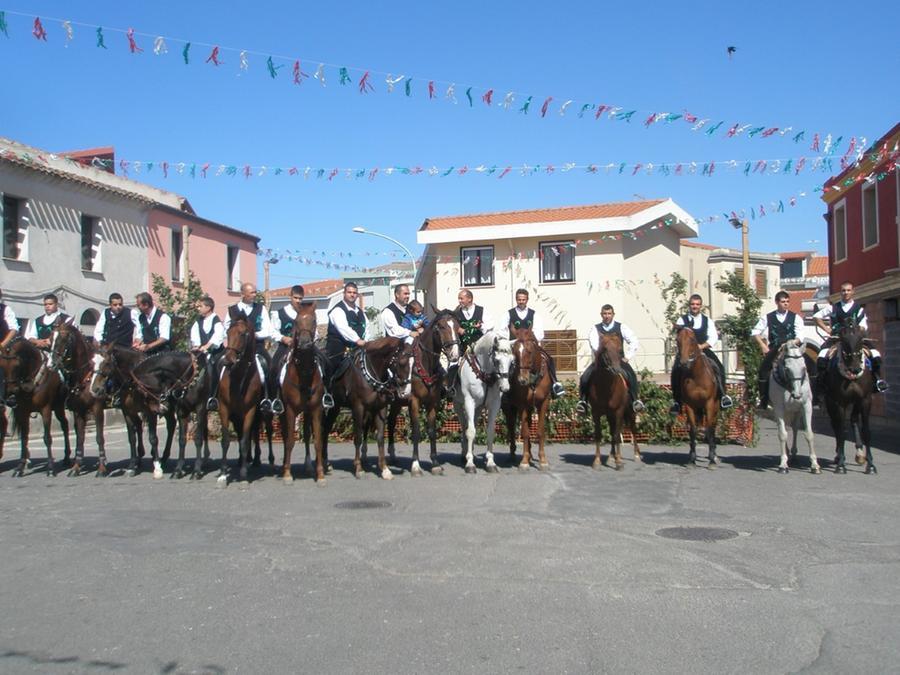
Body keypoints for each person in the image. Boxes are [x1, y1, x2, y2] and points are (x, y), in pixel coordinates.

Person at [813, 280, 887, 399]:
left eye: (848, 290)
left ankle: (877, 381)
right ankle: (821, 384)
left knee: (876, 355)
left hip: (856, 339)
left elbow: (863, 326)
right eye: (843, 290)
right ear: (840, 292)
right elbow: (816, 316)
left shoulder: (859, 309)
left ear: (853, 292)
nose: (846, 293)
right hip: (837, 338)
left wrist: (855, 333)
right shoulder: (833, 307)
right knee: (821, 357)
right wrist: (827, 329)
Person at [218, 282, 280, 414]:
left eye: (254, 292)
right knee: (217, 364)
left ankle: (269, 400)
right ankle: (214, 396)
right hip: (235, 348)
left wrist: (254, 335)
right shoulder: (232, 310)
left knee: (269, 366)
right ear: (243, 294)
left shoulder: (260, 308)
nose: (254, 295)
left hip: (256, 347)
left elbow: (267, 329)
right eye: (251, 292)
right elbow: (225, 330)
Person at [669, 294, 733, 414]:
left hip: (703, 349)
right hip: (686, 352)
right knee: (675, 370)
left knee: (719, 367)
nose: (695, 306)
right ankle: (677, 401)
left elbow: (713, 337)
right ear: (689, 305)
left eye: (697, 304)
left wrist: (701, 346)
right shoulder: (682, 320)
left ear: (700, 306)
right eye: (693, 304)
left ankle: (724, 395)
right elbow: (678, 336)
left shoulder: (707, 320)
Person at [576, 304, 645, 414]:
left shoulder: (621, 327)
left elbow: (633, 341)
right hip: (601, 362)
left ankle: (635, 400)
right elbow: (594, 344)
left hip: (618, 361)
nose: (607, 316)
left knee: (631, 375)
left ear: (613, 314)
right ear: (601, 315)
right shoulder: (595, 329)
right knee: (585, 377)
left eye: (609, 314)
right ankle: (583, 402)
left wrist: (627, 357)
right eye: (604, 314)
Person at [751, 290, 806, 409]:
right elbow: (755, 332)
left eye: (787, 301)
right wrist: (763, 345)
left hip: (792, 348)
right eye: (783, 301)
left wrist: (791, 343)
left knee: (809, 365)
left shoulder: (795, 317)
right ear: (777, 302)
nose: (786, 304)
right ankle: (764, 400)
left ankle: (813, 396)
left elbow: (800, 336)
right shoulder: (768, 317)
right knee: (763, 370)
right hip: (775, 348)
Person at [507, 288, 565, 398]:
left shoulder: (534, 314)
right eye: (519, 299)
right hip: (516, 346)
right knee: (505, 363)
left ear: (527, 300)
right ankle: (505, 390)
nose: (521, 301)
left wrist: (529, 341)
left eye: (523, 299)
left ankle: (555, 384)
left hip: (531, 346)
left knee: (549, 358)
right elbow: (502, 331)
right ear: (516, 299)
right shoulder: (509, 314)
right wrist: (516, 342)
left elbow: (540, 332)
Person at [324, 282, 367, 408]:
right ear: (344, 294)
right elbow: (343, 328)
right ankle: (327, 394)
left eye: (354, 293)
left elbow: (366, 328)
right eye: (349, 292)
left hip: (359, 347)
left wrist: (365, 341)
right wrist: (357, 340)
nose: (352, 295)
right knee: (330, 367)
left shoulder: (361, 313)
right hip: (338, 347)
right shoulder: (337, 310)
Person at [446, 289, 495, 395]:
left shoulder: (482, 310)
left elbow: (491, 325)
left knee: (494, 362)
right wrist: (457, 328)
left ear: (470, 299)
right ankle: (451, 390)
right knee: (453, 363)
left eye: (461, 298)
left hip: (480, 348)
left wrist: (481, 326)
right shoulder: (456, 313)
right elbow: (450, 325)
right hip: (463, 347)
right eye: (459, 298)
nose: (459, 301)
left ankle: (496, 388)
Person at [269, 285, 305, 412]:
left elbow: (314, 331)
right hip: (285, 347)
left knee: (323, 363)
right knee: (273, 367)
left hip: (303, 349)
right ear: (290, 297)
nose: (298, 301)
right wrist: (283, 338)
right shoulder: (279, 313)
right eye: (296, 298)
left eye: (300, 298)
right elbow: (272, 332)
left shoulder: (306, 313)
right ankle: (274, 399)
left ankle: (324, 395)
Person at [189, 296, 225, 411]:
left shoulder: (216, 320)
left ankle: (213, 397)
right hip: (201, 353)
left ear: (208, 307)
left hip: (216, 353)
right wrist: (197, 346)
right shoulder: (198, 321)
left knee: (214, 370)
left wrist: (207, 346)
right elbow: (194, 335)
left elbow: (218, 336)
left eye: (200, 306)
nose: (198, 308)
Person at [0, 289, 19, 404]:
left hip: (3, 349)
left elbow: (14, 329)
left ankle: (2, 398)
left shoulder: (5, 310)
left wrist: (2, 344)